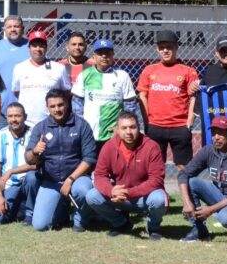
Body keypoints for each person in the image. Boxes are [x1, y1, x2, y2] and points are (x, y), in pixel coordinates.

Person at [178, 116, 227, 245]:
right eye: (214, 133)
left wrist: (211, 209)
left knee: (225, 217)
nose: (216, 137)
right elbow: (184, 174)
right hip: (221, 197)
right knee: (192, 182)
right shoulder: (208, 151)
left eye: (220, 133)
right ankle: (200, 230)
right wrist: (187, 203)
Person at [86, 111, 166, 240]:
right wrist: (111, 190)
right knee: (92, 196)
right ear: (117, 130)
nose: (128, 132)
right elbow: (100, 175)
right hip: (119, 197)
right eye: (124, 128)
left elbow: (156, 179)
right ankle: (121, 223)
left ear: (138, 128)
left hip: (143, 197)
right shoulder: (109, 147)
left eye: (132, 127)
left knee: (159, 199)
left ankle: (153, 227)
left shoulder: (152, 146)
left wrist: (130, 192)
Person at [25, 89, 96, 232]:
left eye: (60, 105)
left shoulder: (82, 125)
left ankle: (79, 219)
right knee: (40, 226)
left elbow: (90, 158)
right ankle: (62, 211)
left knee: (84, 190)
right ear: (47, 108)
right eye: (52, 106)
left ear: (67, 104)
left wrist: (70, 179)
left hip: (77, 179)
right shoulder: (40, 128)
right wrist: (35, 151)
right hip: (51, 181)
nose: (57, 109)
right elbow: (29, 159)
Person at [137, 30, 198, 171]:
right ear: (157, 49)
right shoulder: (149, 70)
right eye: (162, 47)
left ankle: (186, 193)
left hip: (180, 126)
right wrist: (147, 122)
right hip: (155, 126)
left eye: (169, 47)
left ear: (176, 47)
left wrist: (189, 122)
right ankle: (158, 193)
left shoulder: (188, 71)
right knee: (154, 167)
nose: (165, 50)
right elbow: (142, 95)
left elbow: (193, 97)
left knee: (184, 168)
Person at [72, 39, 140, 152]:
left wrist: (120, 128)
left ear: (113, 55)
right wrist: (80, 127)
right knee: (89, 166)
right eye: (100, 53)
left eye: (107, 53)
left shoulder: (122, 76)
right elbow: (77, 104)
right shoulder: (85, 75)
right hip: (88, 133)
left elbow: (130, 106)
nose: (104, 56)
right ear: (94, 56)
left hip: (112, 134)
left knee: (113, 168)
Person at [0, 102, 38, 225]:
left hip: (29, 182)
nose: (14, 120)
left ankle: (30, 214)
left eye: (17, 116)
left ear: (25, 117)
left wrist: (11, 171)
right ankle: (19, 210)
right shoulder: (0, 135)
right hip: (10, 184)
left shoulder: (33, 134)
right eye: (10, 116)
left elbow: (36, 164)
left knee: (32, 177)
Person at [12, 30, 71, 127]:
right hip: (26, 123)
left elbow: (66, 93)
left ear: (46, 48)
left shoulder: (59, 68)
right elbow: (17, 92)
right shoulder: (19, 68)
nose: (38, 49)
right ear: (29, 48)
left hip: (52, 122)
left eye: (41, 46)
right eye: (34, 46)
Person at [0, 16, 30, 127]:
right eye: (9, 27)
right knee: (0, 143)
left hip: (27, 111)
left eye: (16, 26)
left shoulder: (32, 47)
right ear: (4, 29)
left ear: (23, 29)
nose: (13, 29)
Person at [58, 32, 94, 114]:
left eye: (80, 44)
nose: (77, 47)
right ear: (67, 47)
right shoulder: (59, 66)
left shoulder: (93, 66)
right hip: (63, 110)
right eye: (74, 44)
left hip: (86, 109)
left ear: (85, 47)